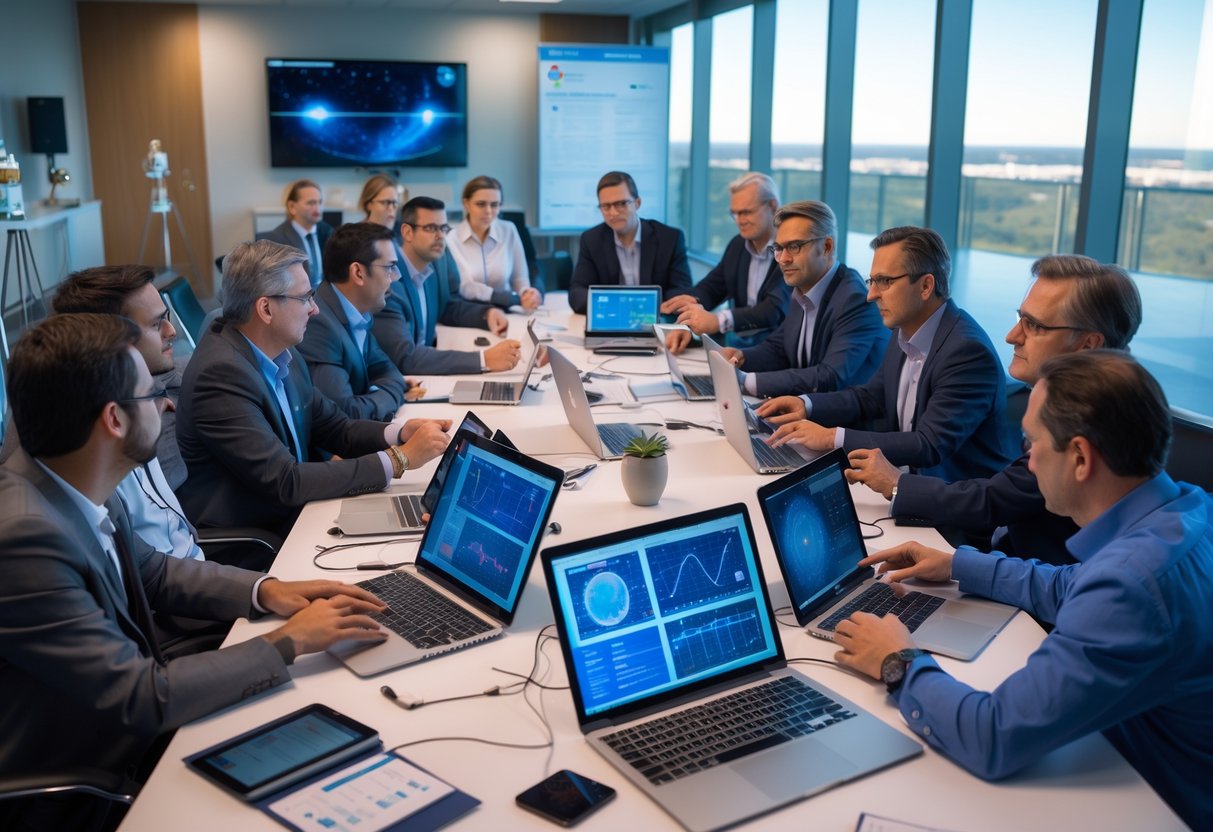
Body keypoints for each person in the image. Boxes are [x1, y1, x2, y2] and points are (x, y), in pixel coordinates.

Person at [0, 313, 389, 829]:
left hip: (135, 721)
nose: (165, 403)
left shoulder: (75, 480)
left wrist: (267, 590)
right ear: (113, 420)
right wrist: (288, 643)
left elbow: (156, 571)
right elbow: (140, 698)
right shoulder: (27, 536)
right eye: (151, 394)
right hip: (91, 779)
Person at [832, 351, 1213, 831]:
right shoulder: (1187, 511)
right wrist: (957, 564)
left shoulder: (1131, 583)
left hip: (1156, 803)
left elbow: (993, 736)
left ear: (1079, 458)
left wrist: (898, 662)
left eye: (1032, 442)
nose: (1027, 458)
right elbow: (1070, 584)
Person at [848, 255, 1142, 564]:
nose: (1012, 337)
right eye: (1020, 319)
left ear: (1088, 344)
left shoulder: (1096, 420)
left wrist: (896, 484)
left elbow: (996, 500)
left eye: (1035, 326)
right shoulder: (1080, 397)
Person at [176, 239, 451, 542]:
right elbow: (285, 480)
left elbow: (337, 428)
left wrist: (399, 434)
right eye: (306, 297)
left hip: (299, 514)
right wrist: (399, 459)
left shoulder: (283, 355)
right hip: (261, 539)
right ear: (266, 309)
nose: (316, 309)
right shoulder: (221, 376)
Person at [757, 226, 1014, 483]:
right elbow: (871, 397)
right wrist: (806, 404)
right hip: (898, 483)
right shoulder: (905, 329)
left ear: (925, 286)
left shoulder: (967, 352)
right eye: (872, 281)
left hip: (951, 504)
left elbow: (929, 444)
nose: (871, 295)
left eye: (885, 281)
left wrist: (831, 437)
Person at [0, 266, 206, 565]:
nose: (171, 331)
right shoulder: (88, 449)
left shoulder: (135, 401)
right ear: (112, 338)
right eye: (157, 323)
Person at [714, 200, 887, 396]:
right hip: (806, 412)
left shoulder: (855, 300)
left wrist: (746, 382)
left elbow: (829, 377)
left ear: (827, 246)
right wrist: (742, 356)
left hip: (843, 421)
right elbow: (779, 348)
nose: (783, 259)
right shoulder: (803, 287)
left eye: (795, 247)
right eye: (778, 248)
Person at [373, 195, 521, 375]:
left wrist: (487, 313)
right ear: (407, 232)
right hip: (403, 382)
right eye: (431, 228)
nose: (440, 236)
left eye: (444, 228)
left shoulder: (431, 265)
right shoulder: (388, 282)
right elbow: (406, 358)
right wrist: (484, 359)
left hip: (426, 371)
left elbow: (447, 308)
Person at [661, 172, 790, 353]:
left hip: (782, 349)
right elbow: (714, 286)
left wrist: (718, 321)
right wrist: (692, 304)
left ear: (772, 206)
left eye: (746, 212)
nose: (739, 221)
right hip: (742, 344)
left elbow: (773, 310)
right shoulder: (738, 244)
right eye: (735, 213)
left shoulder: (789, 248)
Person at [297, 222, 408, 420]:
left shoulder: (360, 313)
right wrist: (389, 394)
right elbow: (344, 413)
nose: (394, 278)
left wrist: (382, 392)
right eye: (389, 267)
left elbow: (389, 372)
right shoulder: (318, 322)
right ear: (358, 273)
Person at [568, 170, 693, 315]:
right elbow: (577, 293)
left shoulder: (670, 238)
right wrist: (623, 307)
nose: (613, 213)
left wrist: (651, 308)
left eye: (621, 204)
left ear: (637, 203)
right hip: (612, 321)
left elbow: (681, 290)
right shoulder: (591, 240)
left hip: (655, 322)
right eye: (606, 206)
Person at [446, 175, 541, 311]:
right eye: (481, 204)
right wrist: (507, 298)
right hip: (470, 314)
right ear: (466, 204)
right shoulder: (451, 238)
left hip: (508, 313)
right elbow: (465, 286)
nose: (488, 211)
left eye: (494, 205)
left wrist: (526, 294)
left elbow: (519, 278)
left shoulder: (509, 230)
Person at [261, 179, 333, 287]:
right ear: (292, 207)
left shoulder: (329, 232)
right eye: (311, 203)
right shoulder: (277, 240)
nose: (317, 208)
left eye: (320, 202)